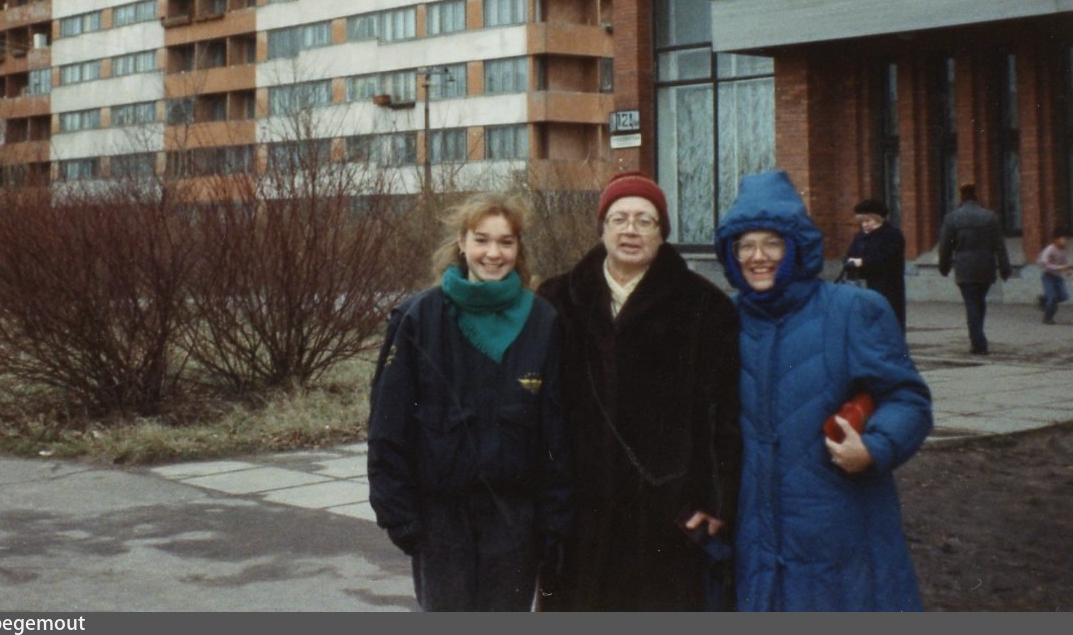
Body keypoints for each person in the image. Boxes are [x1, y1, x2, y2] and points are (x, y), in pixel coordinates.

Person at [714, 170, 933, 612]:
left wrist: (873, 447)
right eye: (746, 245)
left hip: (838, 528)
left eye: (772, 243)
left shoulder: (853, 310)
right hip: (754, 532)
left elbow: (907, 398)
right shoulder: (722, 320)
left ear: (796, 247)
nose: (759, 257)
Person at [534, 172, 741, 611]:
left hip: (665, 514)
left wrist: (714, 501)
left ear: (662, 233)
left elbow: (724, 414)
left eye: (645, 221)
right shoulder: (556, 301)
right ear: (602, 228)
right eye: (619, 218)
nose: (630, 230)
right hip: (578, 512)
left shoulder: (704, 307)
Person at [367, 193, 572, 611]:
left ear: (519, 248)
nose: (493, 254)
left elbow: (559, 433)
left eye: (506, 242)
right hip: (440, 521)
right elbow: (387, 426)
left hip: (515, 522)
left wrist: (555, 520)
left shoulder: (543, 322)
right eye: (482, 240)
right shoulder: (418, 318)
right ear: (462, 243)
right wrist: (399, 514)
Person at [937, 182, 1012, 354]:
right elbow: (999, 245)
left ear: (961, 196)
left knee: (971, 303)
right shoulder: (990, 217)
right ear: (976, 195)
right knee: (980, 302)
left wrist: (944, 266)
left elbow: (945, 246)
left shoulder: (952, 218)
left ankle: (978, 343)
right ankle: (978, 337)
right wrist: (1004, 268)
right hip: (986, 266)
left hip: (965, 267)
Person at [843, 198, 908, 332]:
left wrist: (863, 262)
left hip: (887, 286)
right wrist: (850, 261)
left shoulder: (892, 235)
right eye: (862, 222)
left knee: (889, 322)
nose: (865, 225)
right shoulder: (859, 236)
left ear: (879, 219)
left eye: (868, 221)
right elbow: (849, 255)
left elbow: (889, 259)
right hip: (864, 285)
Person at [1036, 226, 1071, 325]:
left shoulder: (1063, 249)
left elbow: (1064, 261)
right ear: (1056, 239)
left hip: (1058, 277)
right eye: (1062, 238)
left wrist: (1067, 269)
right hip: (1048, 276)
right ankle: (1047, 318)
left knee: (1064, 296)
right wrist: (1060, 267)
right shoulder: (1050, 249)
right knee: (1052, 299)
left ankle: (1044, 299)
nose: (1065, 241)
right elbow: (1044, 263)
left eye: (1066, 238)